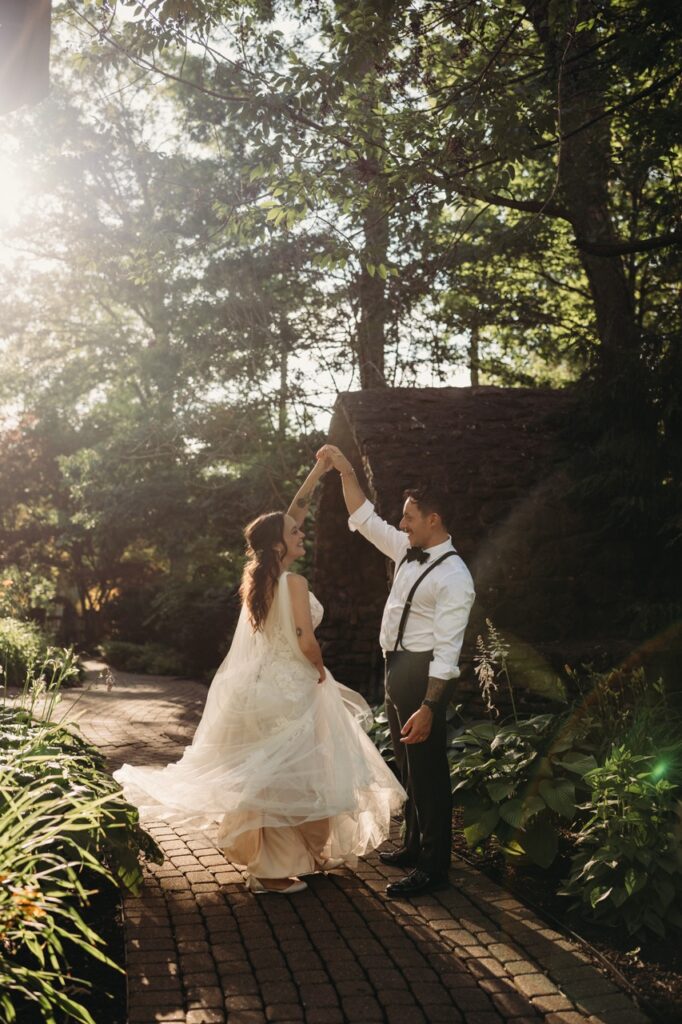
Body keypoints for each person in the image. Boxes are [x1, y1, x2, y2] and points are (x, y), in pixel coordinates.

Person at [114, 457, 406, 894]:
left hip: (261, 689)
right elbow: (306, 639)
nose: (300, 532)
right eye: (294, 533)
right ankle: (271, 870)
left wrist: (318, 472)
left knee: (275, 776)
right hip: (291, 688)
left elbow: (291, 517)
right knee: (297, 775)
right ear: (277, 546)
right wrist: (321, 670)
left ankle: (298, 857)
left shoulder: (262, 578)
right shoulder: (294, 584)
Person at [317, 444, 475, 898]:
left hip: (423, 675)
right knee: (407, 766)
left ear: (434, 519)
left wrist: (429, 706)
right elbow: (364, 518)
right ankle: (412, 846)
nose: (401, 524)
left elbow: (448, 653)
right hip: (395, 668)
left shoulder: (455, 577)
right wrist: (345, 469)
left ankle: (434, 867)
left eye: (409, 516)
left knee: (428, 770)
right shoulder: (407, 549)